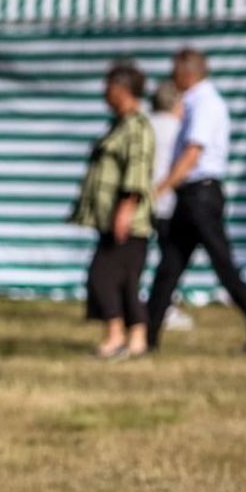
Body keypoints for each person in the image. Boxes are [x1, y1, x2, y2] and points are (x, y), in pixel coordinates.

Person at [145, 48, 246, 354]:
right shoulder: (195, 102)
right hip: (192, 195)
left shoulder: (204, 103)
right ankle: (147, 337)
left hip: (200, 195)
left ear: (187, 73)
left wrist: (162, 187)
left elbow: (194, 152)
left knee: (223, 266)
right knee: (169, 267)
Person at [69, 60, 155, 360]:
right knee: (126, 281)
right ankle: (136, 339)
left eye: (108, 86)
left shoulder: (137, 126)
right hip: (112, 219)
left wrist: (125, 210)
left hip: (128, 220)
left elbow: (137, 170)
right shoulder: (119, 124)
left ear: (122, 89)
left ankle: (117, 335)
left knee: (102, 277)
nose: (104, 92)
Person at [146, 80, 193, 334]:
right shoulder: (177, 127)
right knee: (169, 261)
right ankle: (165, 307)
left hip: (143, 200)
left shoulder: (145, 124)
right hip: (168, 200)